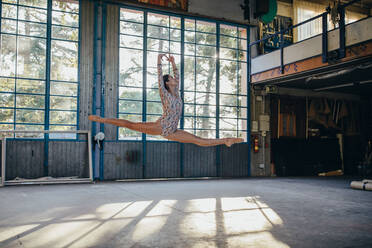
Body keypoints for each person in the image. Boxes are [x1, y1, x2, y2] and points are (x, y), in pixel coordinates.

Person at [89, 54, 243, 147]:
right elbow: (159, 77)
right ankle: (101, 119)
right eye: (171, 78)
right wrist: (159, 61)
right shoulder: (165, 93)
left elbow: (178, 74)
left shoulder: (176, 92)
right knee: (131, 125)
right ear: (167, 82)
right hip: (161, 127)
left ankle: (226, 140)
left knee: (198, 140)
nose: (175, 79)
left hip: (173, 131)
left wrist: (173, 62)